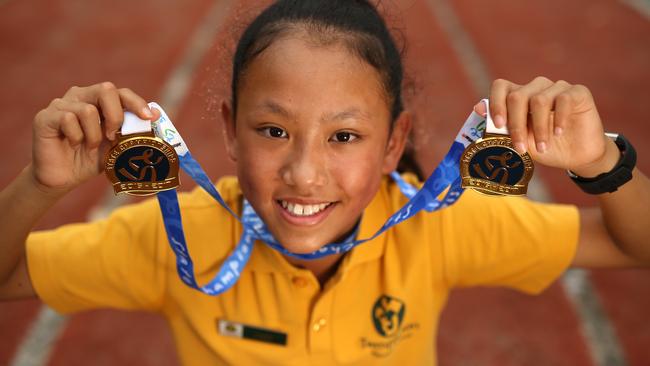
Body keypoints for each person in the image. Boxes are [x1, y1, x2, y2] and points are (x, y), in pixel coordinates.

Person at [1, 0, 648, 364]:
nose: (305, 174)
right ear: (230, 131)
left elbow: (635, 245)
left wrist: (600, 162)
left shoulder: (439, 225)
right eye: (273, 131)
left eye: (344, 136)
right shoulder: (173, 240)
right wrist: (41, 183)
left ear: (395, 141)